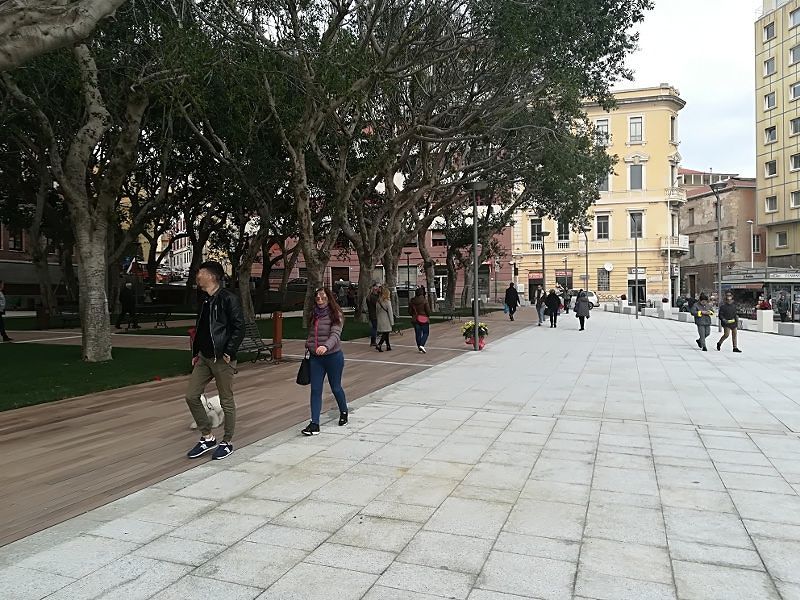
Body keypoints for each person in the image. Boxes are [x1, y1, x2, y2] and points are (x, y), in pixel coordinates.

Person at [185, 261, 245, 460]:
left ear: (211, 276)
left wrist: (229, 350)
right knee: (192, 395)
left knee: (226, 399)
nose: (197, 276)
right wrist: (196, 351)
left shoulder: (228, 299)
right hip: (204, 357)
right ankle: (207, 437)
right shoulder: (204, 299)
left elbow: (239, 327)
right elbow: (201, 328)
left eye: (200, 273)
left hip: (222, 358)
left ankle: (227, 442)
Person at [301, 287, 349, 436]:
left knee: (336, 388)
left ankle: (344, 411)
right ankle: (314, 423)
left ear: (329, 298)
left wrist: (325, 346)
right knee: (315, 390)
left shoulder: (336, 314)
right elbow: (311, 334)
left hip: (333, 357)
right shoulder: (314, 314)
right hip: (316, 358)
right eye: (317, 298)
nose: (320, 300)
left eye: (323, 297)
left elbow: (335, 334)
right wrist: (309, 344)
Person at [408, 286, 431, 353]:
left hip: (415, 319)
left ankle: (419, 347)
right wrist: (427, 315)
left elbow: (409, 311)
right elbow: (428, 311)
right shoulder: (424, 301)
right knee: (426, 333)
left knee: (418, 334)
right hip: (424, 318)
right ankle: (422, 345)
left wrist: (413, 315)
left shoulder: (412, 301)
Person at [375, 287, 394, 351]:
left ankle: (388, 346)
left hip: (380, 319)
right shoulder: (387, 302)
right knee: (385, 333)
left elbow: (376, 311)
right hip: (386, 320)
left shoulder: (378, 301)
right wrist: (392, 322)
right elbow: (390, 312)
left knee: (386, 333)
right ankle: (379, 344)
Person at [366, 282, 380, 347]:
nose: (379, 288)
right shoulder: (373, 297)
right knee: (374, 328)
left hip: (372, 313)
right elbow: (377, 305)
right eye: (378, 286)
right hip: (374, 314)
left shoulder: (369, 296)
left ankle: (373, 341)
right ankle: (373, 341)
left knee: (374, 327)